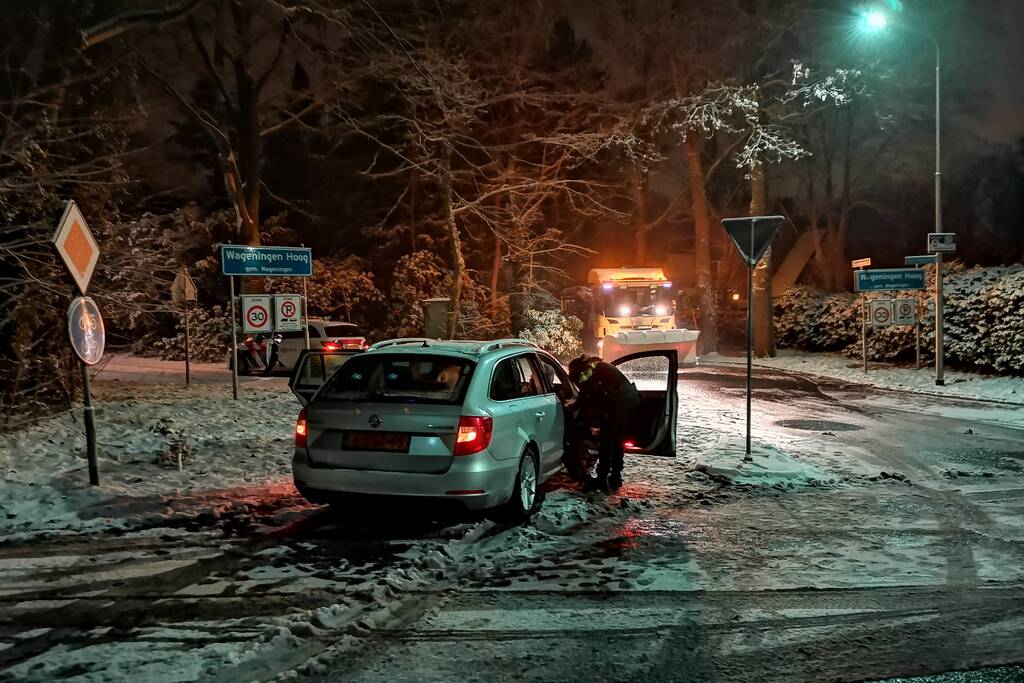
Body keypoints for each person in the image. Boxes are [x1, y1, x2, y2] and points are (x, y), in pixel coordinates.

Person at [568, 355, 640, 493]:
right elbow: (588, 392)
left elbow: (589, 393)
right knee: (617, 439)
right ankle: (615, 477)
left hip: (620, 403)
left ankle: (602, 479)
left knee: (607, 439)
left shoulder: (593, 372)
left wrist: (576, 406)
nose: (579, 379)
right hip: (628, 400)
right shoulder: (600, 368)